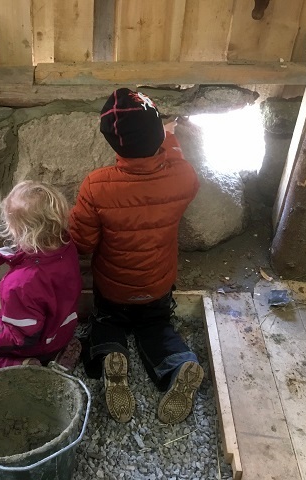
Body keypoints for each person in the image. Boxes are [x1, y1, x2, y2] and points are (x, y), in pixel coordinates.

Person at [68, 88, 203, 424]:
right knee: (157, 327)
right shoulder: (184, 177)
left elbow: (82, 243)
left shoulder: (96, 185)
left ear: (113, 143)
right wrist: (170, 137)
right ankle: (179, 364)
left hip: (114, 288)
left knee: (106, 323)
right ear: (158, 134)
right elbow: (175, 161)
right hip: (157, 286)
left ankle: (110, 355)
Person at [0, 180, 83, 379]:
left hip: (36, 345)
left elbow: (20, 337)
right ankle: (59, 353)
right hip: (59, 332)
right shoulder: (66, 246)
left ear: (16, 229)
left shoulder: (21, 283)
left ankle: (24, 367)